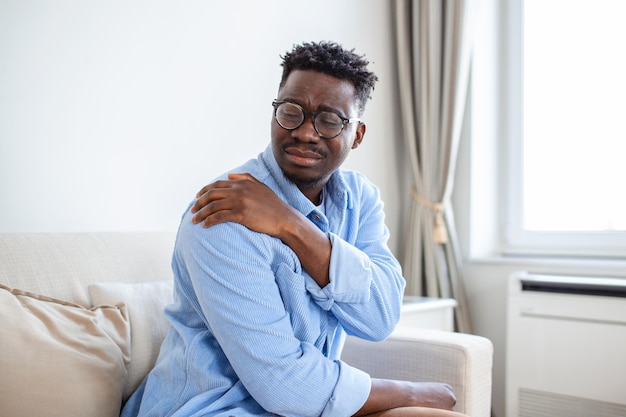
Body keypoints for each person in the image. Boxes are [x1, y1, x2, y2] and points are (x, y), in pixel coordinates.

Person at [121, 41, 466, 417]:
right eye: (291, 112)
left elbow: (379, 318)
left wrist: (289, 224)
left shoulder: (359, 199)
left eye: (329, 120)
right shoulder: (221, 212)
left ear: (358, 134)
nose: (305, 132)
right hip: (212, 408)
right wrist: (408, 392)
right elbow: (284, 385)